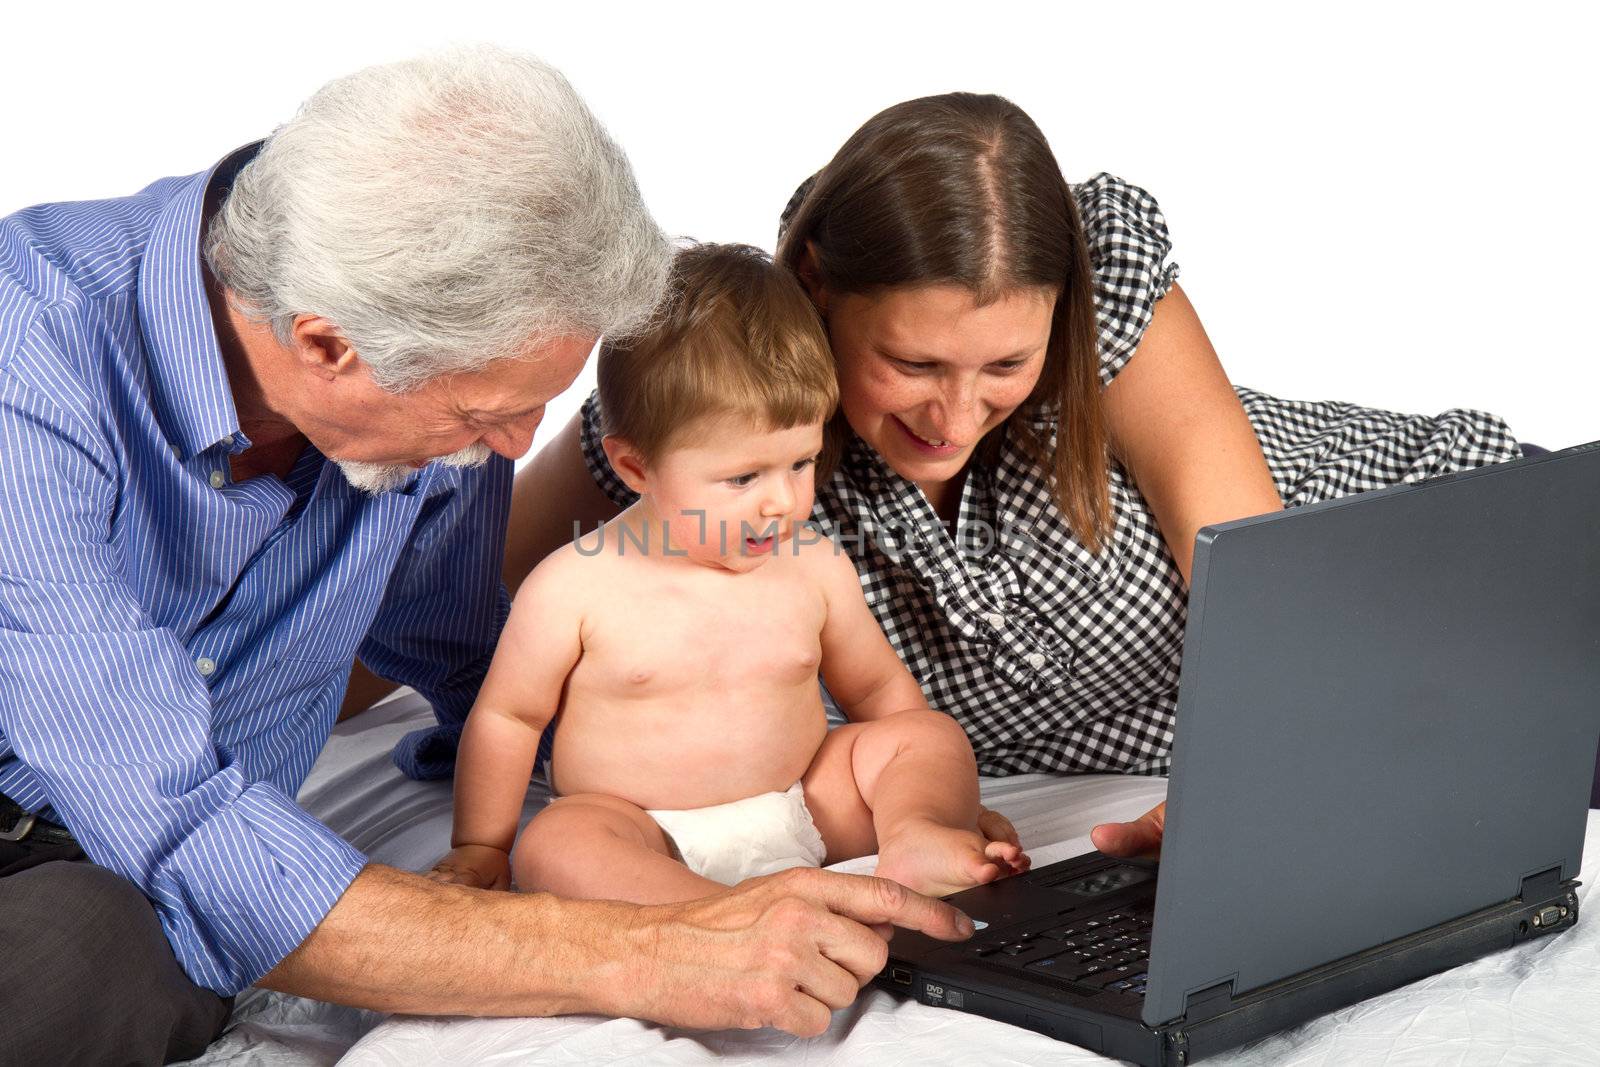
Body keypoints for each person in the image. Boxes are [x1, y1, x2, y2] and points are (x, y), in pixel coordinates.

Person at [0, 51, 977, 1067]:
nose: (514, 452)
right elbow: (176, 826)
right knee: (84, 955)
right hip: (93, 848)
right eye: (487, 413)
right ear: (326, 342)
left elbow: (471, 659)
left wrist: (628, 781)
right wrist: (641, 944)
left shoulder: (423, 374)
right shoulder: (27, 358)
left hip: (111, 878)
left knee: (116, 945)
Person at [501, 92, 1522, 858]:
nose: (953, 417)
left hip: (1438, 550)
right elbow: (438, 581)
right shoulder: (711, 421)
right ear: (818, 280)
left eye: (1004, 366)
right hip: (1397, 712)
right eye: (912, 364)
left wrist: (1258, 774)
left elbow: (1260, 576)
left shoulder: (1104, 303)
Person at [427, 244, 1028, 904]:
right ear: (635, 468)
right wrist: (481, 845)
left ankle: (917, 838)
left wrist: (932, 800)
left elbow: (881, 691)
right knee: (557, 842)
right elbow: (508, 718)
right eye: (743, 477)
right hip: (644, 829)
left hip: (804, 806)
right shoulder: (573, 587)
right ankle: (710, 915)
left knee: (929, 736)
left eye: (799, 463)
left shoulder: (814, 564)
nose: (781, 500)